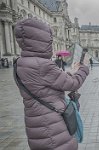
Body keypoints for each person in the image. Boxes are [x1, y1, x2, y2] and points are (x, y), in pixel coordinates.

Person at [14, 18, 89, 150]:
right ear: (42, 41)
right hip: (52, 126)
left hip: (36, 123)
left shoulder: (19, 63)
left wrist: (69, 73)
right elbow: (73, 84)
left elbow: (45, 84)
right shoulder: (43, 65)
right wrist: (84, 67)